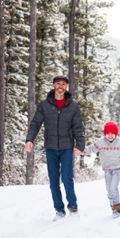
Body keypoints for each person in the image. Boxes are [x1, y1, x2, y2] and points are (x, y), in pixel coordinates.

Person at [24, 74, 85, 218]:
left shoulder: (73, 105)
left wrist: (80, 145)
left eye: (63, 84)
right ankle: (59, 209)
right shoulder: (45, 105)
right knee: (53, 180)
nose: (60, 87)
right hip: (51, 147)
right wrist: (29, 139)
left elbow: (78, 127)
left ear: (66, 87)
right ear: (53, 86)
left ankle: (73, 206)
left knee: (67, 177)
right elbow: (35, 124)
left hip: (67, 147)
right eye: (58, 84)